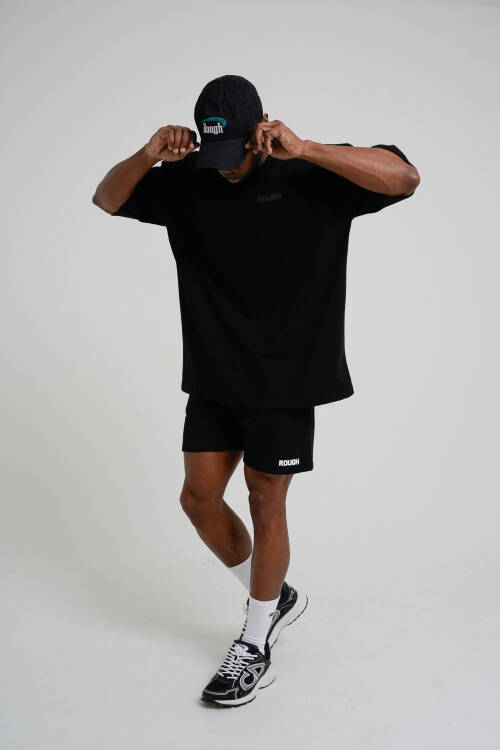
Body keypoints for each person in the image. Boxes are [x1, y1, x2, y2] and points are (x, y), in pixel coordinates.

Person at [92, 74, 420, 707]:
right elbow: (106, 199)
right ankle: (274, 595)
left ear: (260, 130)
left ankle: (255, 638)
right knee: (198, 500)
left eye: (235, 152)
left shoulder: (309, 173)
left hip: (287, 377)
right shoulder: (187, 180)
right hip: (214, 374)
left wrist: (310, 148)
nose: (226, 168)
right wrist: (147, 154)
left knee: (266, 502)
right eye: (214, 152)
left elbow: (405, 178)